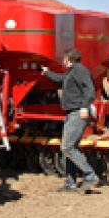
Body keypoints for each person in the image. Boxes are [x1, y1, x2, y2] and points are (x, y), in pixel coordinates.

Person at [41, 48, 101, 193]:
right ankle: (70, 183)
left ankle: (90, 176)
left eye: (64, 57)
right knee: (70, 147)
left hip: (77, 113)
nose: (63, 59)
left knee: (67, 147)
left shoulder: (80, 70)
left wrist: (85, 107)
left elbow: (90, 90)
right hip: (71, 114)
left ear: (68, 58)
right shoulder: (71, 72)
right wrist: (47, 72)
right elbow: (61, 79)